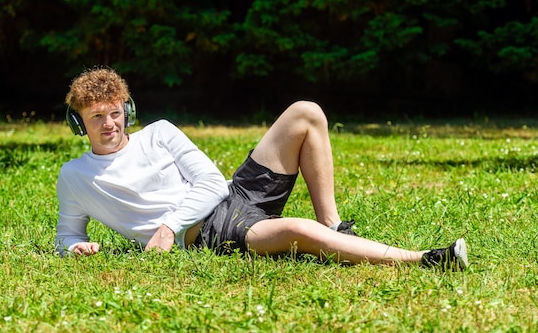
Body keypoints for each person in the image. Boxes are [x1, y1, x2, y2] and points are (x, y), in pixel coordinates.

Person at [55, 67, 468, 271]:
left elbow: (213, 182)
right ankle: (424, 259)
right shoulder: (75, 177)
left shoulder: (160, 133)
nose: (109, 124)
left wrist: (166, 227)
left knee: (305, 113)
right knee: (298, 230)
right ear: (79, 124)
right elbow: (68, 235)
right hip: (211, 233)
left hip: (233, 195)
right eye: (96, 117)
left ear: (127, 111)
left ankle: (336, 226)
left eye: (114, 113)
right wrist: (76, 247)